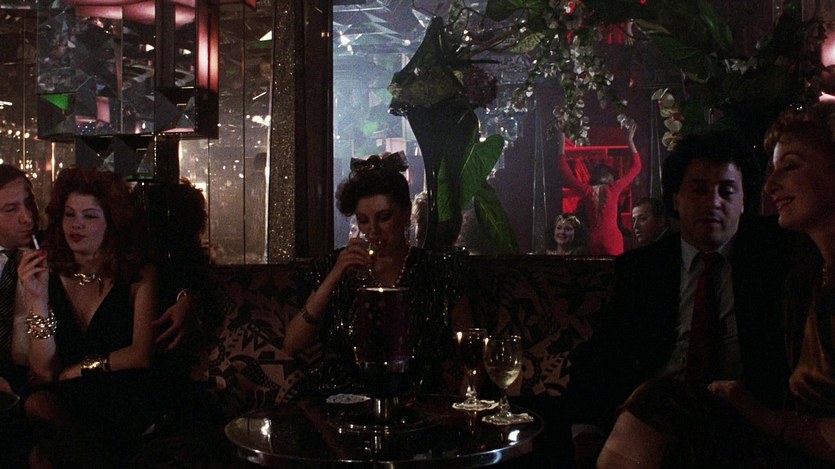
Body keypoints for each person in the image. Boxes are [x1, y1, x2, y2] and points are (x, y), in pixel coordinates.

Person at [566, 130, 796, 468]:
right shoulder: (643, 269)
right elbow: (601, 355)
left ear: (744, 201)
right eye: (699, 189)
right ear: (675, 199)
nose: (713, 202)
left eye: (727, 191)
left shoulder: (776, 255)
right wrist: (585, 432)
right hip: (653, 417)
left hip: (748, 419)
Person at [704, 101, 835, 466]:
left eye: (789, 166)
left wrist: (765, 418)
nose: (771, 185)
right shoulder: (806, 277)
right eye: (772, 170)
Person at [284, 152, 470, 396]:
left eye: (383, 217)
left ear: (405, 213)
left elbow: (471, 352)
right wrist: (334, 277)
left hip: (420, 400)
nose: (372, 230)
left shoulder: (439, 270)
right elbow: (292, 344)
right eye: (363, 220)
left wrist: (466, 408)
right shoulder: (338, 265)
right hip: (343, 399)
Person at [18, 167, 162, 467]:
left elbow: (141, 354)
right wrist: (36, 298)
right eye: (69, 214)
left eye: (90, 216)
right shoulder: (48, 273)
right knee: (37, 405)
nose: (77, 224)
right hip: (70, 403)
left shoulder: (138, 274)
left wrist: (80, 369)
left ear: (112, 222)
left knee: (43, 457)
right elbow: (44, 373)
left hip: (123, 395)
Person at [0, 163, 39, 467]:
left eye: (29, 203)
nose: (27, 217)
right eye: (11, 209)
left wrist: (186, 295)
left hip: (38, 379)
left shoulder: (55, 249)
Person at [557, 121, 642, 256]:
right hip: (611, 239)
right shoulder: (614, 188)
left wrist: (561, 140)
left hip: (594, 239)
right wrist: (629, 141)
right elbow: (637, 167)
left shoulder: (588, 191)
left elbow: (563, 170)